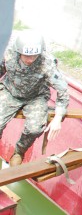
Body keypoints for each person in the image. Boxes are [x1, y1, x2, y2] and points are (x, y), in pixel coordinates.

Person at [0, 31, 69, 167]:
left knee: (34, 128)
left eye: (34, 56)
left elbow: (63, 90)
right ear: (19, 51)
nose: (30, 60)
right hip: (11, 92)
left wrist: (58, 118)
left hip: (35, 96)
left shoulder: (46, 63)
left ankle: (19, 152)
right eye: (26, 56)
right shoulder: (8, 55)